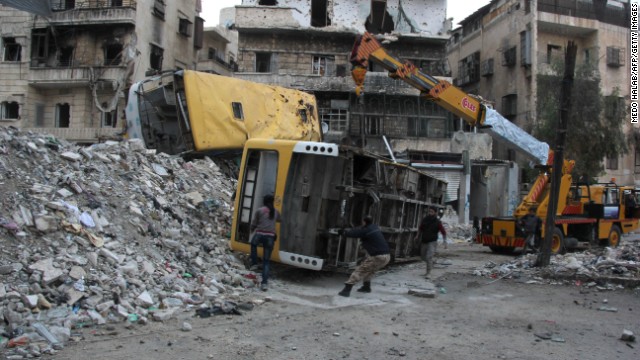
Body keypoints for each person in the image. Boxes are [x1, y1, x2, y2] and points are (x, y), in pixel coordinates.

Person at [337, 215, 391, 297]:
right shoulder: (375, 227)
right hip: (387, 256)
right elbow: (361, 231)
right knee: (370, 270)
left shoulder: (365, 231)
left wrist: (343, 232)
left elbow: (355, 233)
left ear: (364, 222)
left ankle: (346, 290)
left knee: (360, 270)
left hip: (378, 256)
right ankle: (366, 287)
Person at [250, 194, 280, 291]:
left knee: (253, 244)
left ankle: (254, 263)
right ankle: (264, 284)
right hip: (270, 238)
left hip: (259, 235)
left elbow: (254, 223)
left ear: (264, 201)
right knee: (266, 261)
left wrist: (251, 230)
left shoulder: (259, 210)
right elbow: (280, 220)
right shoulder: (275, 212)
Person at [414, 207, 447, 279]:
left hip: (432, 241)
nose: (430, 213)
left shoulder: (437, 222)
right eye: (429, 212)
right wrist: (417, 236)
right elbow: (420, 228)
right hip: (424, 241)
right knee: (423, 257)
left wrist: (445, 241)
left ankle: (428, 273)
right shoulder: (425, 220)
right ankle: (431, 263)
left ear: (435, 213)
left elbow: (443, 232)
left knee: (429, 257)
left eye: (432, 212)